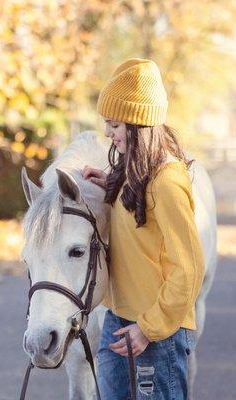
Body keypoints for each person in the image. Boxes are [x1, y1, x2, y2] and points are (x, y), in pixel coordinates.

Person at [82, 58, 205, 400]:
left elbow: (189, 269)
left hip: (157, 332)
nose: (107, 133)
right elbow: (142, 227)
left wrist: (148, 329)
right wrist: (111, 184)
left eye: (114, 125)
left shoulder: (166, 183)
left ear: (138, 125)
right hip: (119, 320)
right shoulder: (134, 177)